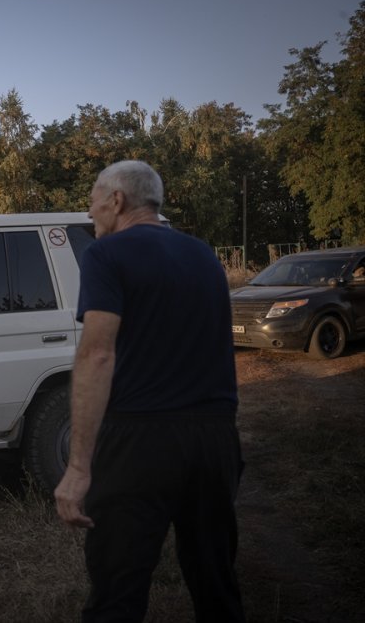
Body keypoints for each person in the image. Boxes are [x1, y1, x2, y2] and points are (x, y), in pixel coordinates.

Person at [54, 160, 245, 622]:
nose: (90, 211)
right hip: (215, 440)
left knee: (118, 590)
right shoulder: (203, 255)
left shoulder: (106, 255)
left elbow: (98, 355)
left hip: (141, 442)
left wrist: (79, 466)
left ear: (116, 201)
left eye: (94, 199)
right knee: (216, 583)